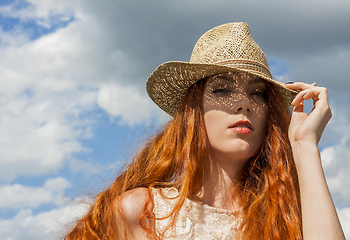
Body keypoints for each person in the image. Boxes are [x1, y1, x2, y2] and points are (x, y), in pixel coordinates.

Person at [64, 22, 345, 239]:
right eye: (222, 89)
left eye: (257, 94)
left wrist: (304, 145)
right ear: (193, 111)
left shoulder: (288, 215)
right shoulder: (143, 212)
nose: (244, 103)